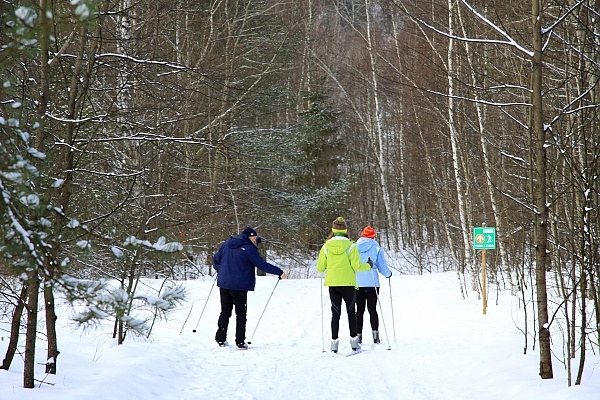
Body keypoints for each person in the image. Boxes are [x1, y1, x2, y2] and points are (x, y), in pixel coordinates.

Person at [213, 226, 286, 349]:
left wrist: (220, 270)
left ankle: (221, 338)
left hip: (224, 284)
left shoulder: (226, 244)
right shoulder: (248, 249)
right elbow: (261, 264)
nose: (255, 240)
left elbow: (216, 258)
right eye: (254, 237)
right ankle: (240, 341)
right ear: (249, 236)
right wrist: (279, 272)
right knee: (241, 313)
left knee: (225, 311)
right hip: (239, 286)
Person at [316, 217, 371, 353]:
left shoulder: (325, 246)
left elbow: (320, 268)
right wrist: (368, 266)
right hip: (349, 284)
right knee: (351, 312)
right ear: (345, 230)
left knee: (335, 313)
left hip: (333, 284)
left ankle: (334, 344)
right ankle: (354, 342)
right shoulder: (351, 246)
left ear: (333, 230)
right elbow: (357, 266)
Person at [355, 226, 392, 344]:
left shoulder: (354, 247)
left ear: (362, 235)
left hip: (357, 282)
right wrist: (388, 274)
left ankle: (358, 336)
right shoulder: (376, 247)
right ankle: (375, 336)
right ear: (373, 236)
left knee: (359, 310)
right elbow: (381, 265)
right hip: (372, 283)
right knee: (372, 309)